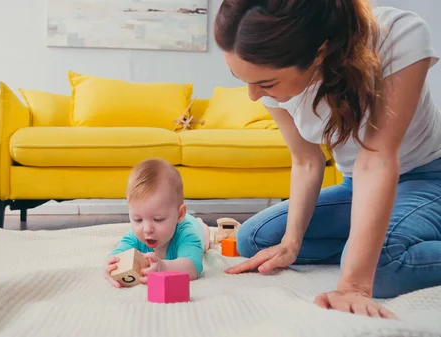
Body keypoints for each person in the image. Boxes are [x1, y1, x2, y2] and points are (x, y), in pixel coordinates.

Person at [214, 0, 441, 319]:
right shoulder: (269, 77)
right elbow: (307, 160)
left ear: (319, 53)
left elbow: (376, 160)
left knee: (384, 267)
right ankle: (375, 242)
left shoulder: (398, 34)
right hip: (357, 186)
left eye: (265, 84)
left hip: (427, 177)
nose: (254, 96)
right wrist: (291, 243)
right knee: (255, 240)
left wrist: (354, 285)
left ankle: (379, 246)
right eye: (243, 79)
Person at [104, 158, 211, 288]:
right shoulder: (134, 237)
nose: (147, 229)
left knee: (204, 243)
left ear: (179, 214)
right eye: (138, 219)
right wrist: (111, 267)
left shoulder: (186, 234)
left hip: (193, 226)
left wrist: (163, 267)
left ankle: (202, 226)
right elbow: (117, 255)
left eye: (158, 219)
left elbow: (193, 267)